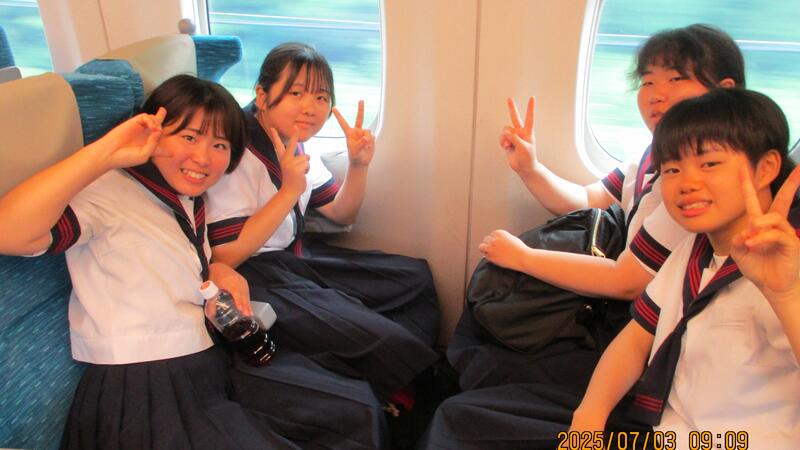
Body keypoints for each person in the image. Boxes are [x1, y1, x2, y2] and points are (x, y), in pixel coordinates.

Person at [0, 75, 387, 449]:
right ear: (153, 134)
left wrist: (216, 269)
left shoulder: (187, 198)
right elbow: (9, 233)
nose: (203, 158)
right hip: (143, 388)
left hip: (204, 363)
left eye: (220, 145)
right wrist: (106, 150)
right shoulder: (106, 191)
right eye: (188, 137)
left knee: (355, 410)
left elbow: (168, 260)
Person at [449, 23, 745, 392]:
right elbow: (589, 198)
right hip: (624, 309)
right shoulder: (653, 155)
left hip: (645, 330)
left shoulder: (693, 188)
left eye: (676, 79)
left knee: (491, 357)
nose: (656, 95)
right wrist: (530, 168)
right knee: (486, 326)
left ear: (724, 92)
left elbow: (626, 282)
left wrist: (523, 257)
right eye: (648, 82)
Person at [205, 43, 440, 410]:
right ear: (262, 96)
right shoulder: (234, 152)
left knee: (415, 278)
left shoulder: (295, 142)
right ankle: (397, 394)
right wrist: (288, 191)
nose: (310, 107)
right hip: (256, 275)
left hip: (295, 260)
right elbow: (224, 257)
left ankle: (393, 372)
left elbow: (341, 214)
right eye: (296, 93)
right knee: (387, 340)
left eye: (321, 97)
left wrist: (358, 165)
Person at [571, 88, 800, 449]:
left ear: (766, 168)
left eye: (709, 164)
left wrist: (786, 295)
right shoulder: (696, 247)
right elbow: (637, 337)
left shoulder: (788, 264)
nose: (687, 183)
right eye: (673, 169)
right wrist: (588, 419)